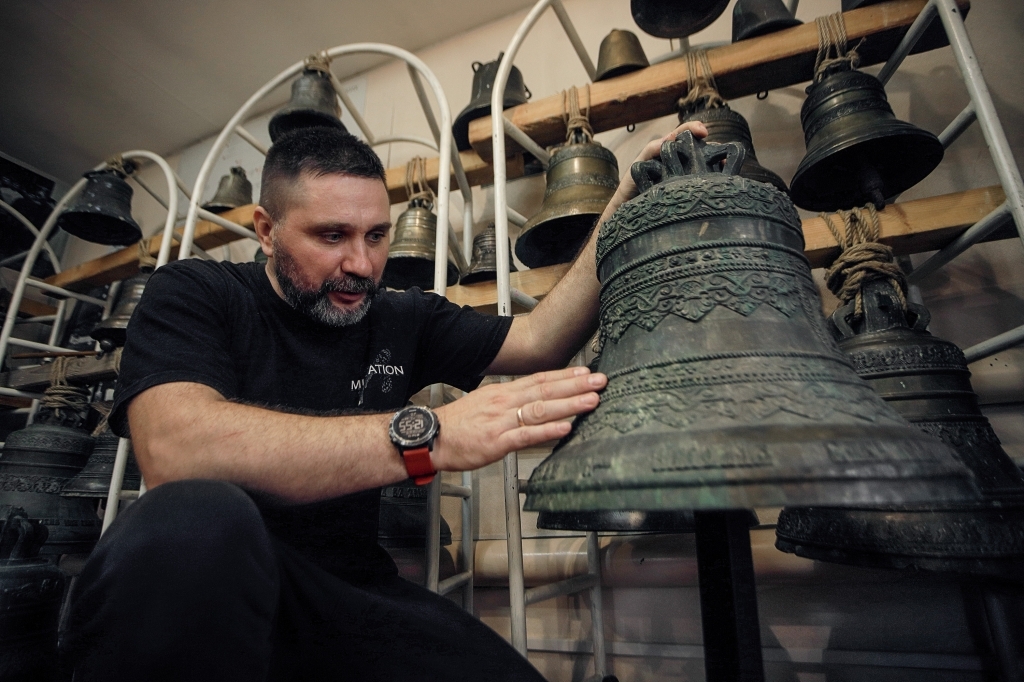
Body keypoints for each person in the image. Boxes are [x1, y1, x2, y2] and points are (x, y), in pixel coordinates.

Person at [62, 120, 706, 681]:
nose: (362, 264)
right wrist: (426, 437)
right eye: (332, 236)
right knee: (195, 515)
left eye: (376, 236)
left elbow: (540, 339)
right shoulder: (194, 292)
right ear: (265, 230)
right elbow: (176, 449)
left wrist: (624, 202)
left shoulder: (401, 317)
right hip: (211, 581)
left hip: (348, 589)